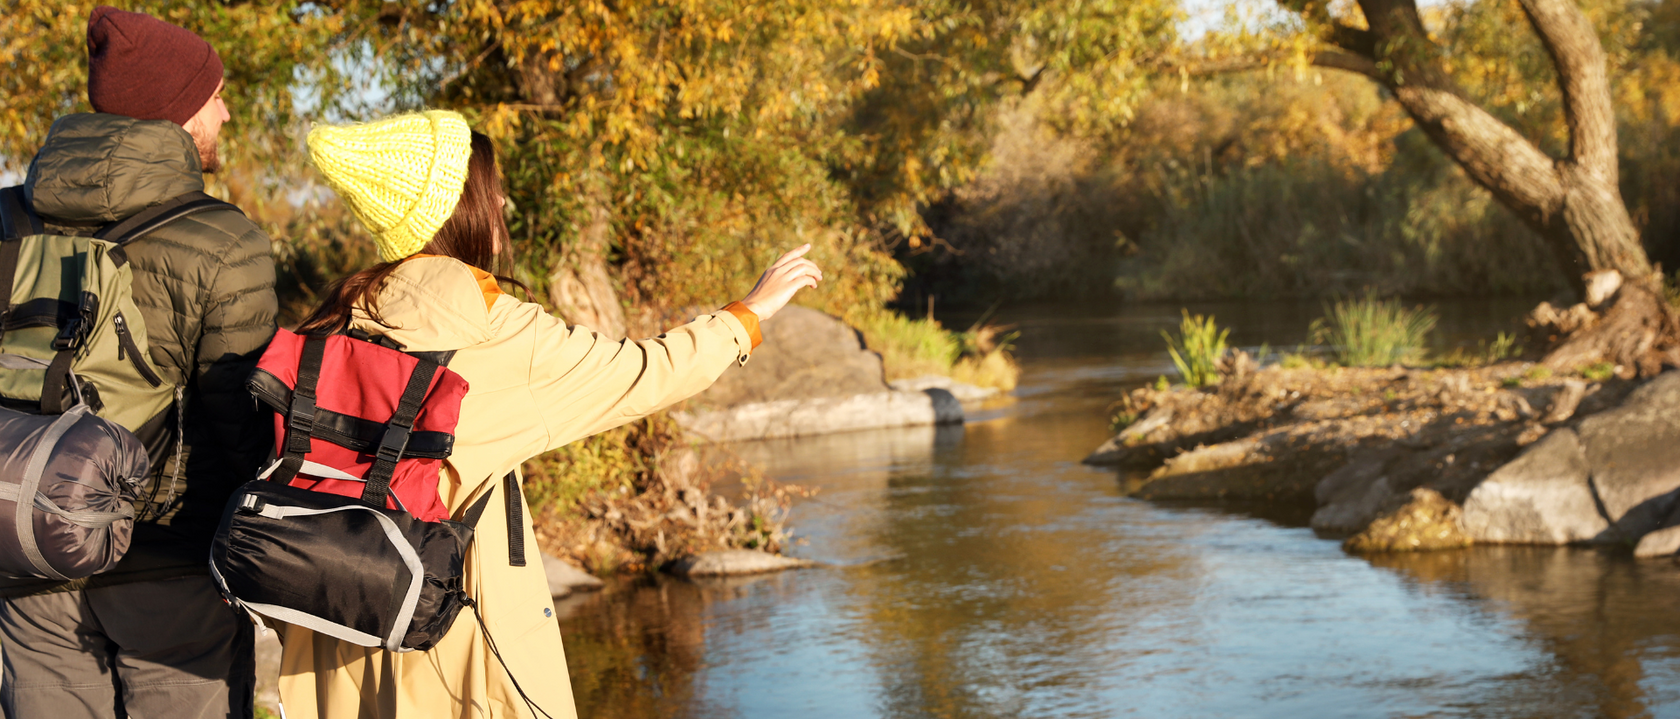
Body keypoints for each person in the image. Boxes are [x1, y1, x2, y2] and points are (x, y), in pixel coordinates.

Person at [280, 110, 820, 718]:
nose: (504, 201)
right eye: (490, 189)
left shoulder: (333, 328)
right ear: (456, 208)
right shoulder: (499, 334)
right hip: (450, 645)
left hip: (331, 640)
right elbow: (642, 373)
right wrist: (747, 315)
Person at [0, 6, 278, 719]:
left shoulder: (6, 218)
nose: (225, 109)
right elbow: (240, 421)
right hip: (169, 566)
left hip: (25, 555)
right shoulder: (224, 238)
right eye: (213, 95)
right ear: (179, 113)